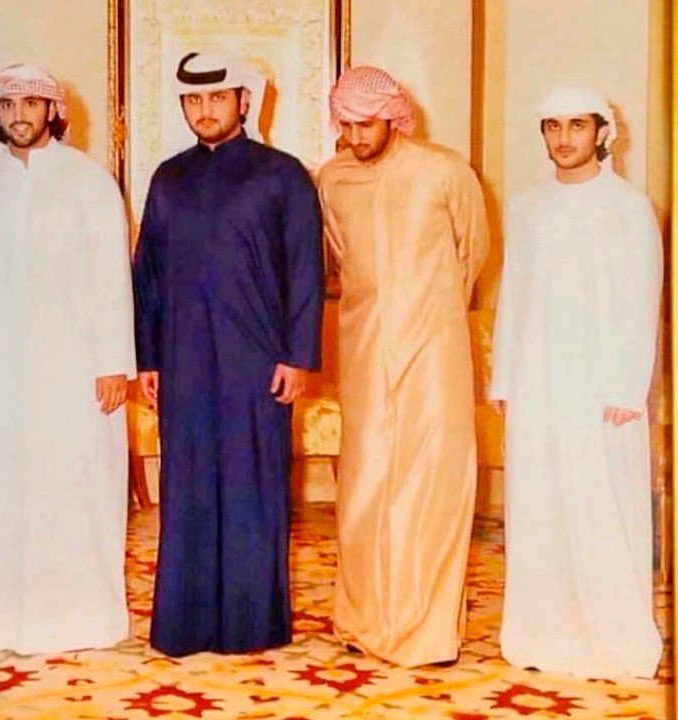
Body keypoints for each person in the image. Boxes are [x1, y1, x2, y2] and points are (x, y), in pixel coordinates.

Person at [133, 48, 324, 656]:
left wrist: (298, 356)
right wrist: (148, 358)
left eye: (217, 97)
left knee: (253, 485)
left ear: (244, 100)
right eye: (193, 99)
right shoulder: (168, 179)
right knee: (186, 484)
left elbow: (306, 270)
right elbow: (148, 275)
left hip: (257, 361)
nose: (205, 110)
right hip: (184, 359)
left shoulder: (283, 175)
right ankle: (184, 625)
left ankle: (251, 624)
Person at [0, 63, 136, 654]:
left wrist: (114, 362)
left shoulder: (89, 182)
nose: (19, 115)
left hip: (74, 366)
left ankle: (81, 619)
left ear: (53, 111)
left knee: (75, 483)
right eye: (8, 105)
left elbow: (112, 276)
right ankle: (0, 616)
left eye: (31, 104)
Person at [318, 66, 490, 666]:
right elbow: (342, 256)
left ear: (394, 117)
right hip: (364, 347)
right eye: (346, 126)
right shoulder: (332, 179)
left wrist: (431, 309)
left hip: (435, 348)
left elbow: (473, 251)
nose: (356, 137)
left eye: (367, 125)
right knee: (364, 482)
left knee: (431, 483)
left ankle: (426, 631)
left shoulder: (445, 171)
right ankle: (364, 618)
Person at [489, 86, 663, 678]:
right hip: (536, 381)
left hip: (602, 387)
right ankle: (542, 635)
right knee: (539, 507)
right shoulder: (527, 207)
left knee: (601, 505)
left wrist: (626, 388)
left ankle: (614, 639)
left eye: (577, 126)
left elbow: (642, 299)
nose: (564, 138)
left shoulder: (628, 208)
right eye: (553, 126)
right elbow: (515, 294)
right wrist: (505, 377)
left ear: (601, 132)